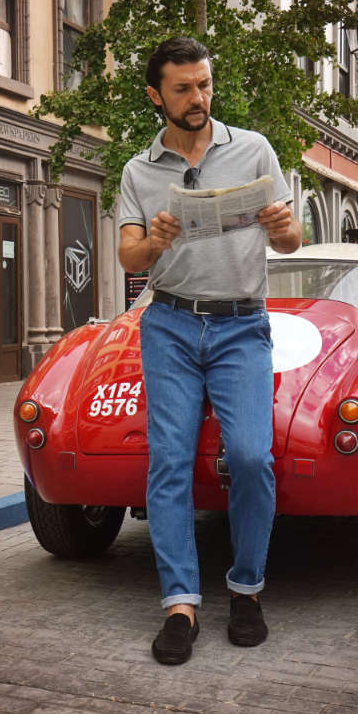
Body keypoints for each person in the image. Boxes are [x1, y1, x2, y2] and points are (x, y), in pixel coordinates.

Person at [117, 37, 301, 664]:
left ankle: (246, 589)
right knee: (167, 463)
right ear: (155, 95)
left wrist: (283, 229)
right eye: (183, 89)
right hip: (168, 325)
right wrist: (157, 240)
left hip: (241, 326)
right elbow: (128, 257)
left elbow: (294, 238)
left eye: (204, 85)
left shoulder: (253, 150)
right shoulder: (138, 171)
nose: (198, 99)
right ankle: (180, 604)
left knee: (251, 457)